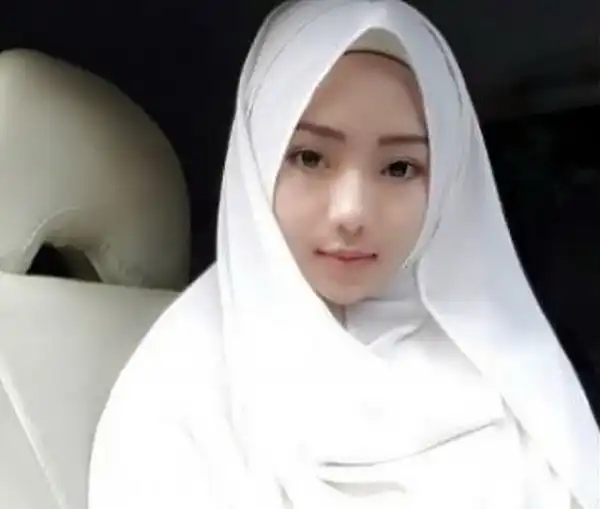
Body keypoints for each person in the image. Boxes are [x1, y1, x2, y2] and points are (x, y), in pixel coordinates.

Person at [88, 1, 600, 508]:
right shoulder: (181, 390)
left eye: (399, 168)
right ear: (257, 157)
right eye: (309, 157)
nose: (351, 212)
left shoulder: (510, 368)